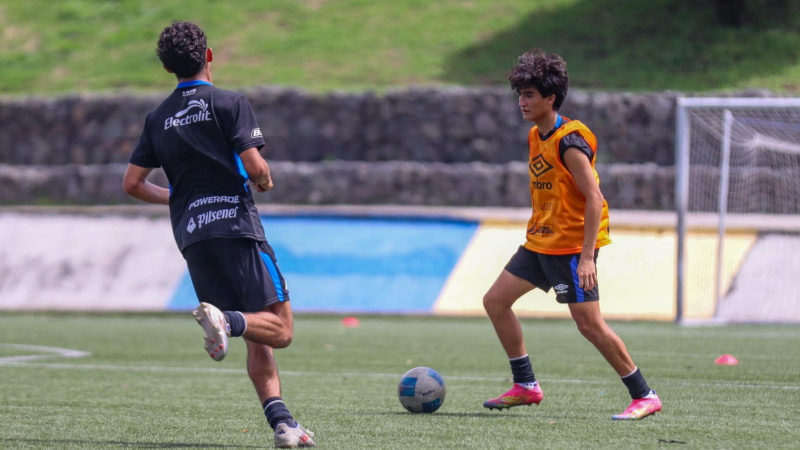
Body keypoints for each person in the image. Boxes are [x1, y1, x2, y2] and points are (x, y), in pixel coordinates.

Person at [122, 21, 315, 447]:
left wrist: (177, 199)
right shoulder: (229, 103)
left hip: (193, 237)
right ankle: (224, 321)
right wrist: (263, 180)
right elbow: (257, 167)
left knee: (256, 335)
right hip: (237, 228)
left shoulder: (158, 118)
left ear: (168, 69)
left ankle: (284, 425)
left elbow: (132, 184)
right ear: (208, 56)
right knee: (280, 330)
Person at [481, 49, 662, 420]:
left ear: (551, 99)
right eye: (520, 94)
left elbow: (595, 199)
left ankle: (644, 395)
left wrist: (586, 257)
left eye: (530, 95)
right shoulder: (536, 136)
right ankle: (526, 386)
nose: (522, 101)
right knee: (495, 301)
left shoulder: (570, 141)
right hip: (540, 241)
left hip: (571, 246)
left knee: (589, 325)